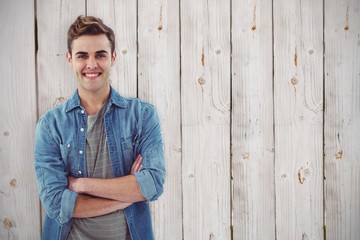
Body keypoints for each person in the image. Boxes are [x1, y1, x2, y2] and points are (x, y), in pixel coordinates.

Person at [34, 15, 166, 240]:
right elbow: (56, 203)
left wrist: (80, 184)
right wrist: (128, 194)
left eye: (100, 55)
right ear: (70, 59)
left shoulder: (142, 116)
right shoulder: (50, 126)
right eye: (82, 56)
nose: (92, 64)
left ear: (113, 57)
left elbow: (153, 183)